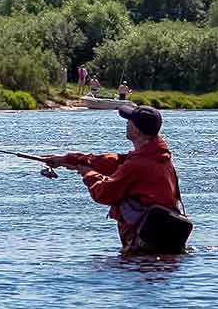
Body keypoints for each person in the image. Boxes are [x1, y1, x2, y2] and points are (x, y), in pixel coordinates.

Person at [43, 105, 190, 255]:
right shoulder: (159, 156)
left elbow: (104, 193)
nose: (126, 123)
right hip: (164, 240)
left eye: (129, 121)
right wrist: (68, 159)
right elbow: (115, 162)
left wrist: (89, 174)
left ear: (137, 130)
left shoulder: (137, 163)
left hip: (139, 246)